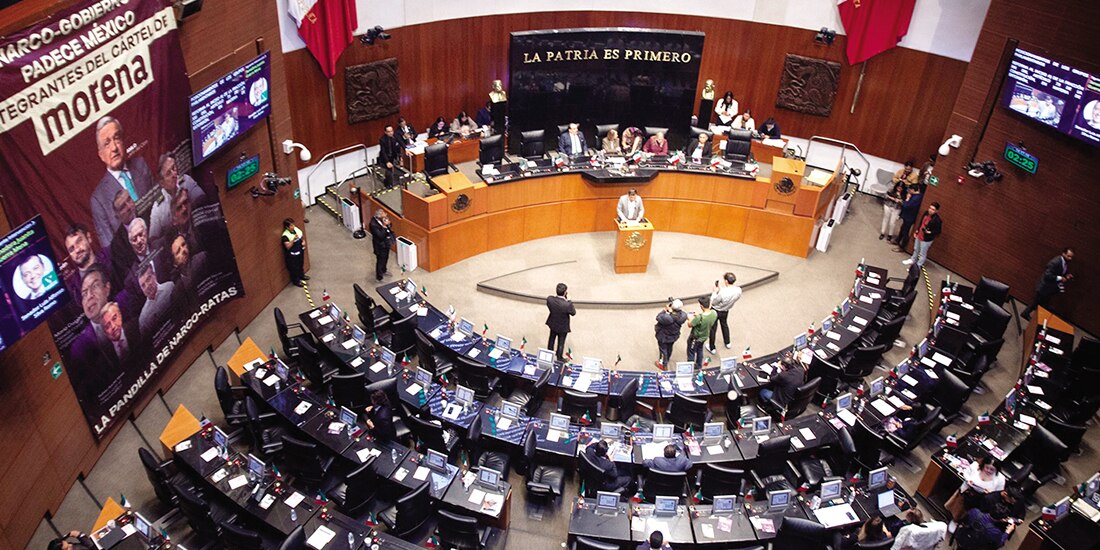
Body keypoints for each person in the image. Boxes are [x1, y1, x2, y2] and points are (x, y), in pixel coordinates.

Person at [90, 116, 154, 248]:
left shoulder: (141, 165)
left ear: (123, 142)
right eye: (107, 143)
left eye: (117, 138)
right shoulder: (98, 199)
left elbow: (159, 203)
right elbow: (111, 246)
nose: (114, 147)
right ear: (101, 154)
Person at [150, 153, 206, 248]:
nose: (174, 174)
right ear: (162, 183)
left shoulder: (185, 180)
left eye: (174, 168)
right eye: (169, 173)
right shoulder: (158, 208)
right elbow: (153, 241)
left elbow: (202, 199)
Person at [1020, 247, 1074, 320]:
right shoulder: (1055, 262)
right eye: (1068, 256)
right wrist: (1060, 278)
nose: (1070, 258)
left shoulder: (1064, 263)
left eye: (1071, 257)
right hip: (1044, 287)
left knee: (1041, 304)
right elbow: (1047, 275)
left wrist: (1066, 275)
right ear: (1063, 253)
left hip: (1049, 288)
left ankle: (1033, 317)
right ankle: (1025, 314)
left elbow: (1060, 272)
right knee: (1035, 303)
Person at [137, 263, 176, 337]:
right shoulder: (143, 318)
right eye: (143, 285)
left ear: (154, 275)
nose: (147, 286)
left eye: (148, 279)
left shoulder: (170, 287)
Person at [708, 272, 742, 353]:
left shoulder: (722, 293)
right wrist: (720, 290)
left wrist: (715, 292)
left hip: (716, 310)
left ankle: (712, 347)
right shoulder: (738, 290)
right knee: (724, 325)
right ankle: (727, 342)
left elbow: (714, 302)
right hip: (726, 310)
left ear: (726, 281)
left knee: (713, 328)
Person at [902, 202, 941, 268]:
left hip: (926, 239)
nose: (930, 210)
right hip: (920, 234)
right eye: (930, 208)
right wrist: (917, 231)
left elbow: (938, 231)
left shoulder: (937, 220)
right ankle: (912, 260)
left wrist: (930, 232)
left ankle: (918, 266)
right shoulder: (926, 213)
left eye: (933, 209)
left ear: (936, 211)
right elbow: (921, 223)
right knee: (916, 249)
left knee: (922, 253)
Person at [654, 299, 688, 370]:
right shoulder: (683, 315)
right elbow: (677, 315)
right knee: (669, 347)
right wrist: (671, 312)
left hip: (664, 336)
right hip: (674, 335)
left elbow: (658, 317)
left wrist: (665, 310)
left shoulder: (667, 317)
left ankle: (663, 364)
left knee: (663, 350)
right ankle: (667, 359)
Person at [545, 282, 575, 361]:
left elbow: (549, 305)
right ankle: (559, 357)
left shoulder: (550, 299)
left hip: (553, 322)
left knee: (551, 339)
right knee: (561, 343)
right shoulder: (567, 304)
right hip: (563, 326)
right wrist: (569, 300)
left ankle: (549, 355)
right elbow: (573, 313)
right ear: (565, 292)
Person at [685, 296, 717, 368]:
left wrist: (690, 318)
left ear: (701, 306)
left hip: (695, 338)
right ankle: (699, 365)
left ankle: (690, 367)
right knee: (700, 349)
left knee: (691, 352)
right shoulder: (714, 313)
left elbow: (689, 324)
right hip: (705, 336)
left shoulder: (699, 317)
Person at [894, 184, 924, 251]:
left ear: (913, 190)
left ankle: (902, 246)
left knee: (905, 231)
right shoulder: (918, 196)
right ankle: (897, 240)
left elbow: (907, 205)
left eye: (910, 190)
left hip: (909, 217)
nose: (909, 191)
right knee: (902, 228)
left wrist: (904, 200)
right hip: (907, 216)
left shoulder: (916, 198)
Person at [368, 210, 395, 282]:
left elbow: (390, 225)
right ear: (379, 217)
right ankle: (379, 276)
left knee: (386, 258)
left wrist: (388, 224)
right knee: (380, 261)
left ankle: (384, 270)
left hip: (386, 244)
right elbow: (380, 236)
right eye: (383, 216)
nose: (385, 217)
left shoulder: (383, 219)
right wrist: (384, 227)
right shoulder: (373, 224)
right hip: (380, 246)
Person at [281, 218, 307, 287]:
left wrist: (303, 241)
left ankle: (302, 276)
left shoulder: (296, 229)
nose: (293, 226)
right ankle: (296, 281)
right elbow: (288, 246)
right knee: (294, 268)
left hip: (300, 251)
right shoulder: (285, 236)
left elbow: (301, 236)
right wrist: (293, 240)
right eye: (291, 225)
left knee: (301, 264)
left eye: (293, 224)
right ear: (287, 227)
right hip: (293, 256)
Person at [378, 124, 404, 189]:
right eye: (389, 132)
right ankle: (388, 184)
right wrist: (387, 162)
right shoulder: (382, 140)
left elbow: (399, 146)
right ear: (385, 132)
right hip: (385, 157)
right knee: (388, 171)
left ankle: (389, 182)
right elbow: (383, 151)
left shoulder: (395, 137)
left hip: (392, 156)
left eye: (391, 131)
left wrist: (400, 157)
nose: (391, 133)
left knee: (392, 170)